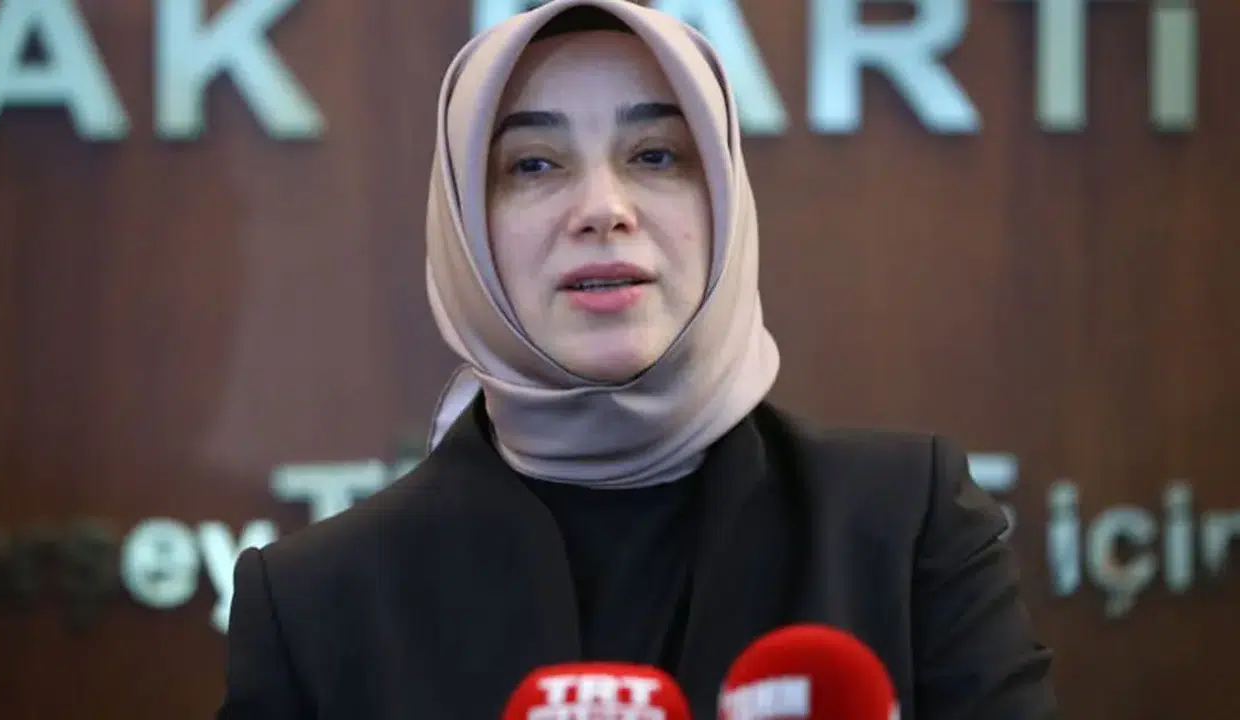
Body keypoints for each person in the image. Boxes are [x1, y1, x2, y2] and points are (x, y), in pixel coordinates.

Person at [216, 1, 1060, 718]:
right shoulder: (315, 603)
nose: (603, 209)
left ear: (723, 197)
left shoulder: (905, 527)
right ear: (466, 230)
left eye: (655, 155)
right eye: (534, 165)